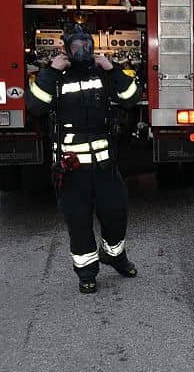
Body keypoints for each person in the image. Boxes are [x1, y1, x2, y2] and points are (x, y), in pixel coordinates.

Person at [27, 25, 140, 294]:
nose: (82, 51)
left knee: (116, 214)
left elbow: (130, 99)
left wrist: (112, 69)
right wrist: (51, 71)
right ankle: (87, 272)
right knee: (78, 223)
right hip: (72, 170)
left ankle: (114, 255)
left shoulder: (102, 73)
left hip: (105, 167)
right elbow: (35, 106)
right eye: (76, 47)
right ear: (66, 49)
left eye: (86, 45)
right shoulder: (55, 77)